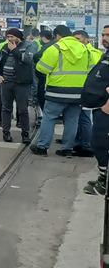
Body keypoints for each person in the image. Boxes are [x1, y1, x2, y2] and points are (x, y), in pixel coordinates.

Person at [32, 25, 90, 157]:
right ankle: (67, 149)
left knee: (49, 118)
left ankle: (42, 146)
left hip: (56, 92)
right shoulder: (84, 49)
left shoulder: (55, 48)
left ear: (57, 36)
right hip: (78, 93)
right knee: (72, 120)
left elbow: (41, 68)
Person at [0, 28, 34, 143]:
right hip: (6, 82)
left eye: (12, 37)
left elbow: (28, 60)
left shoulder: (28, 46)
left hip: (21, 83)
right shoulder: (5, 47)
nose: (9, 39)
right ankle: (6, 132)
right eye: (8, 37)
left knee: (23, 110)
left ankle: (25, 134)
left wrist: (15, 50)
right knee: (6, 108)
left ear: (18, 37)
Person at [85, 25, 109, 195]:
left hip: (106, 109)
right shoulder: (106, 54)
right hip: (99, 106)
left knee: (100, 143)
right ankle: (103, 177)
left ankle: (104, 182)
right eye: (103, 34)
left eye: (108, 35)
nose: (104, 38)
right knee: (98, 143)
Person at [70, 30, 101, 157]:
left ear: (86, 39)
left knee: (85, 118)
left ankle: (86, 145)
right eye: (74, 39)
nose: (76, 41)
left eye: (78, 39)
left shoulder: (92, 53)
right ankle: (78, 142)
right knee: (79, 118)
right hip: (79, 89)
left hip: (87, 90)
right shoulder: (78, 51)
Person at [33, 30, 54, 128]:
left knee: (42, 97)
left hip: (44, 77)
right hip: (51, 78)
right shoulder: (54, 45)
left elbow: (36, 55)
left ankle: (44, 120)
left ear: (43, 37)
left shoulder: (48, 46)